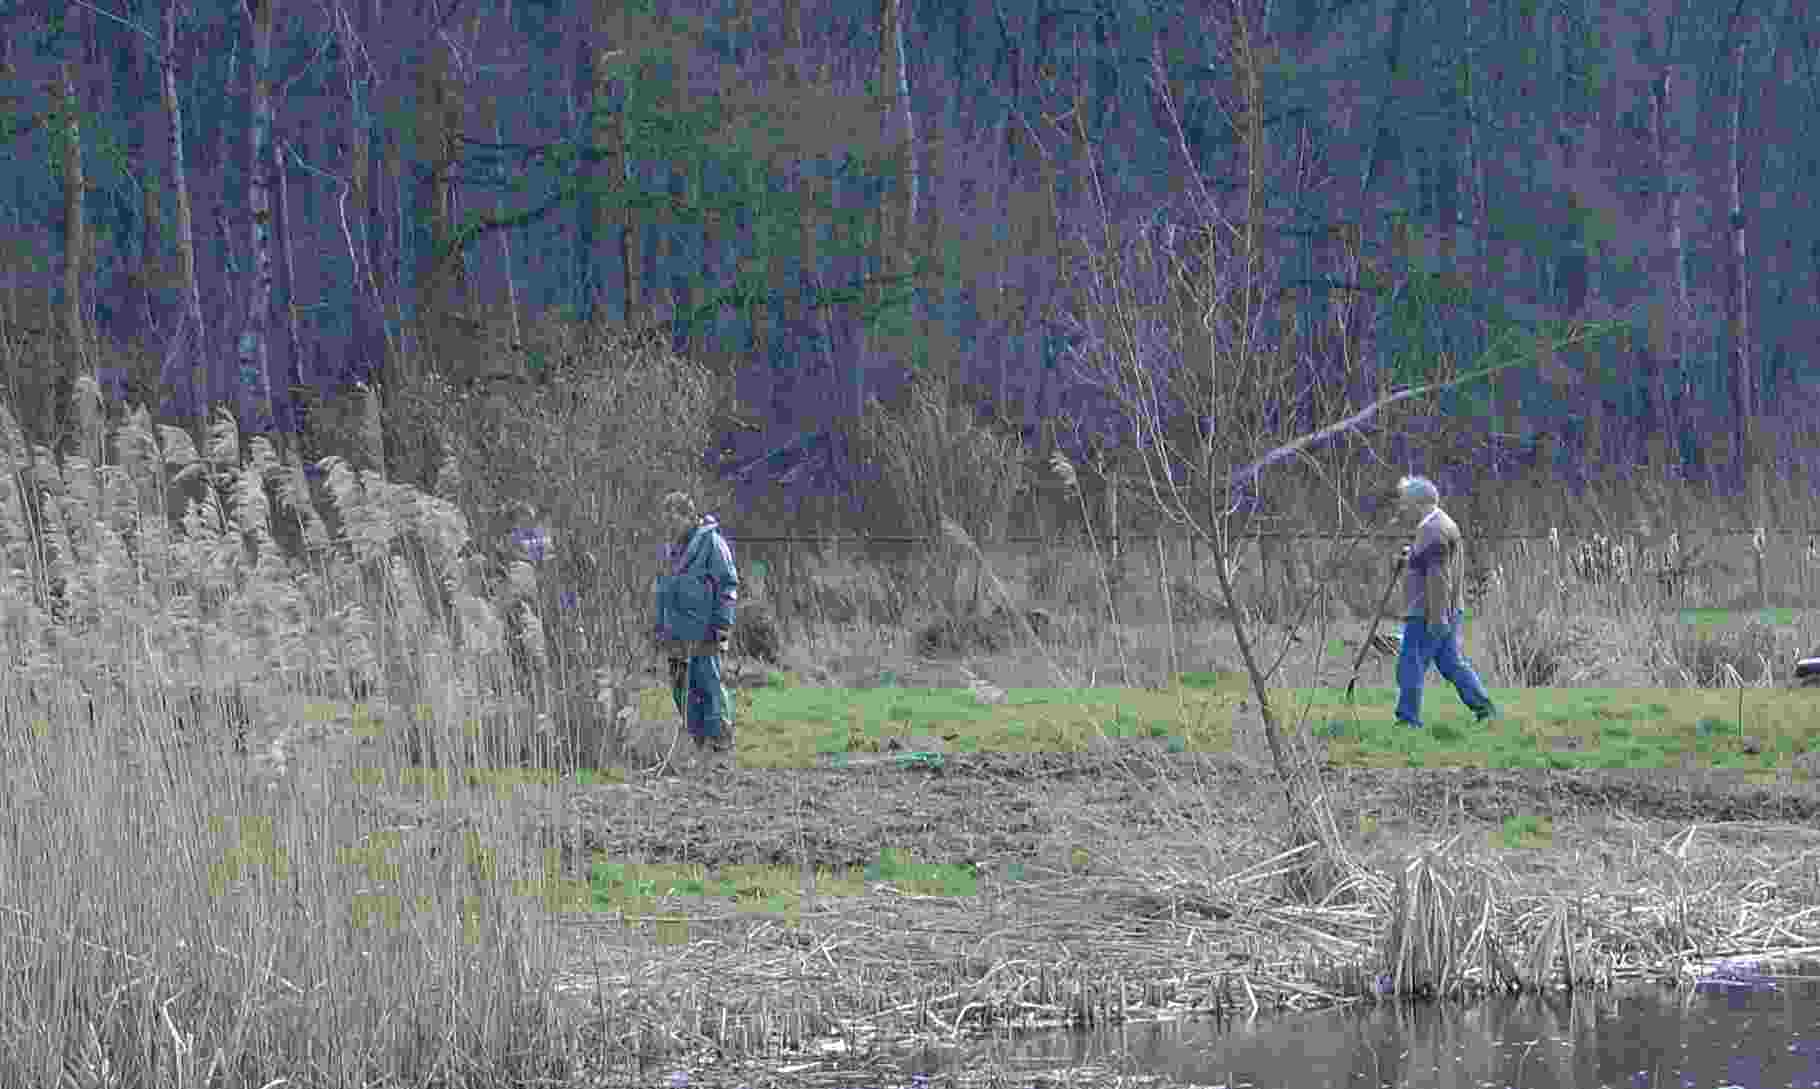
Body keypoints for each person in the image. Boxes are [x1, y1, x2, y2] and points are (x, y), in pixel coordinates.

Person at [1392, 475, 1498, 728]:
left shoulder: (1432, 530)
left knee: (1410, 664)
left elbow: (1439, 579)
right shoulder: (1439, 525)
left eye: (1405, 503)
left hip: (1429, 611)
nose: (1402, 508)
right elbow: (1434, 565)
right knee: (1451, 664)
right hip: (1447, 610)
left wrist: (1437, 619)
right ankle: (1485, 709)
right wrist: (1411, 557)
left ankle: (1407, 720)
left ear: (1419, 503)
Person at [653, 490, 740, 764]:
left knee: (709, 686)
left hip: (705, 631)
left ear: (689, 516)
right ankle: (699, 742)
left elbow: (727, 585)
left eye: (674, 519)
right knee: (681, 689)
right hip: (676, 633)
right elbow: (664, 590)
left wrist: (722, 625)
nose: (670, 526)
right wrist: (660, 625)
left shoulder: (712, 543)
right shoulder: (671, 549)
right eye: (666, 521)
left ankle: (720, 744)